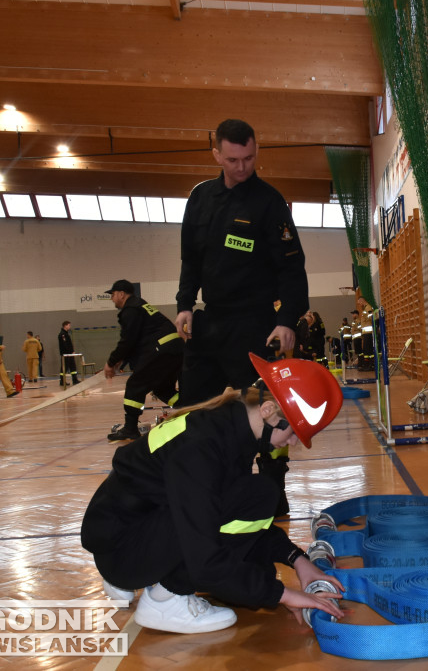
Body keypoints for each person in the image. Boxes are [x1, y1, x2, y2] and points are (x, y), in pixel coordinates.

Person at [81, 357, 345, 634]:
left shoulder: (227, 426)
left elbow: (223, 510)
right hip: (124, 550)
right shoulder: (203, 449)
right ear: (268, 411)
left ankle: (137, 580)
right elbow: (206, 559)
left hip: (128, 531)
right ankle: (165, 601)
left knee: (258, 565)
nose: (292, 442)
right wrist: (285, 595)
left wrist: (296, 559)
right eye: (293, 433)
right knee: (261, 498)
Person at [174, 118, 309, 406]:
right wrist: (184, 304)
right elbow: (191, 259)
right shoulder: (200, 198)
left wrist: (286, 321)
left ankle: (271, 452)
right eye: (233, 159)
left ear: (256, 150)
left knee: (265, 412)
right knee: (191, 409)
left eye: (248, 158)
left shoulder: (270, 203)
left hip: (254, 325)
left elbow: (292, 268)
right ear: (217, 155)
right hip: (210, 322)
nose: (241, 167)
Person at [102, 280, 183, 441]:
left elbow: (128, 340)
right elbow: (136, 341)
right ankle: (193, 409)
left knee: (135, 385)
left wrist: (111, 362)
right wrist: (121, 361)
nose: (111, 298)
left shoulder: (130, 309)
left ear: (121, 294)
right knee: (162, 389)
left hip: (161, 349)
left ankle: (130, 428)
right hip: (173, 349)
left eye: (112, 294)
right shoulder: (140, 306)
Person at [58, 321, 81, 386]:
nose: (69, 326)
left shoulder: (66, 333)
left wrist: (72, 351)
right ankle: (62, 381)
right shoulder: (62, 334)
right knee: (64, 368)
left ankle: (75, 380)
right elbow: (65, 345)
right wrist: (70, 351)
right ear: (65, 326)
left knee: (73, 367)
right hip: (66, 354)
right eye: (69, 325)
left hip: (70, 354)